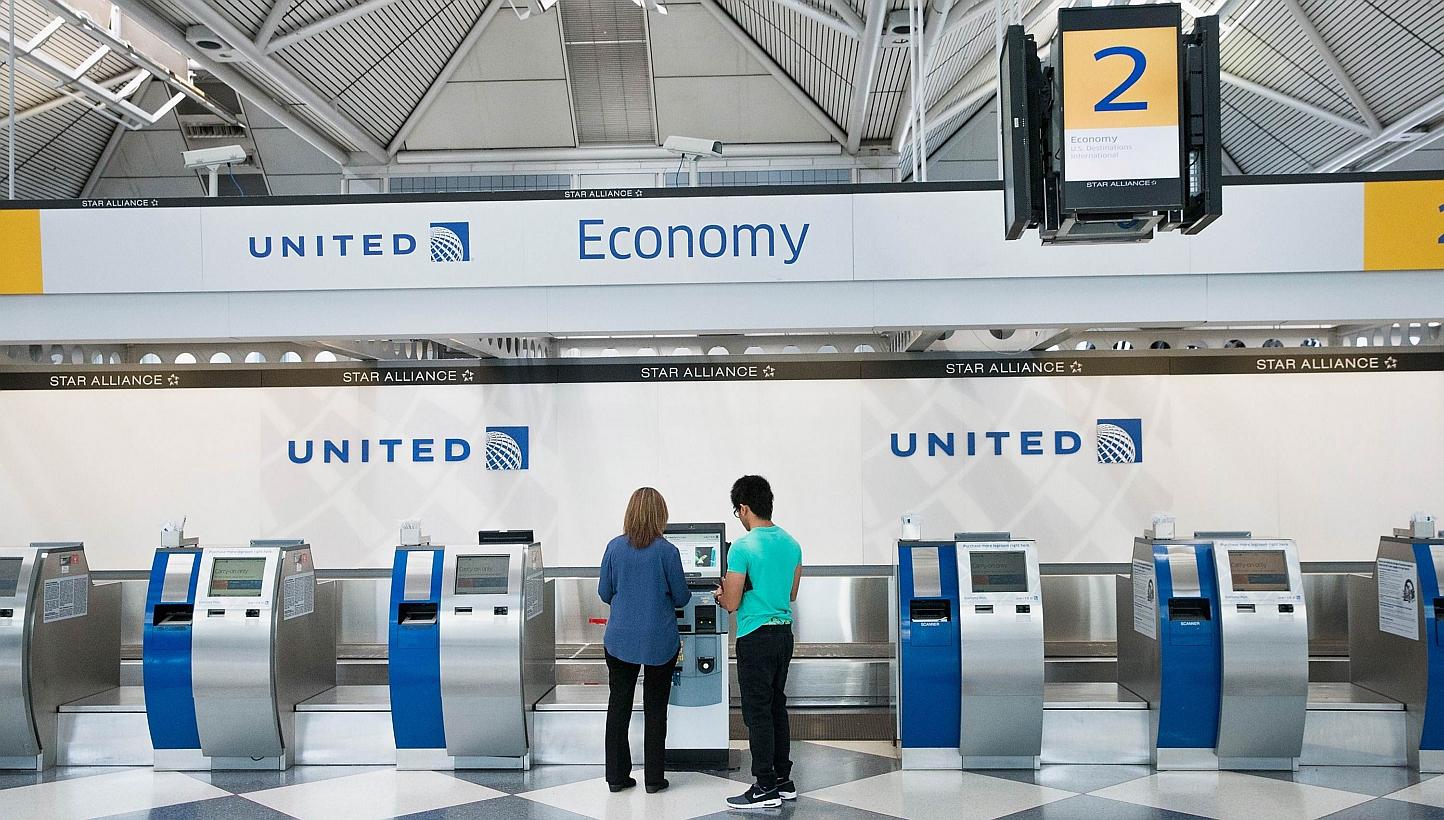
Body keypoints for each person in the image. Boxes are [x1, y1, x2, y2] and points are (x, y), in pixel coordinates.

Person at [715, 475, 803, 810]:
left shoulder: (742, 547)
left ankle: (764, 785)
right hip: (783, 634)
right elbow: (791, 594)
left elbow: (733, 603)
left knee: (757, 712)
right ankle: (784, 779)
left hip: (755, 636)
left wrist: (722, 595)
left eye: (738, 511)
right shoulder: (792, 543)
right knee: (776, 705)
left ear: (744, 508)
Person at [598, 487, 692, 794]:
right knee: (655, 709)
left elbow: (604, 593)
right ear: (660, 515)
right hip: (659, 640)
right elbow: (681, 597)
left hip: (619, 640)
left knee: (619, 706)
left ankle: (616, 777)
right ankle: (653, 778)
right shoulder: (668, 552)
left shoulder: (613, 548)